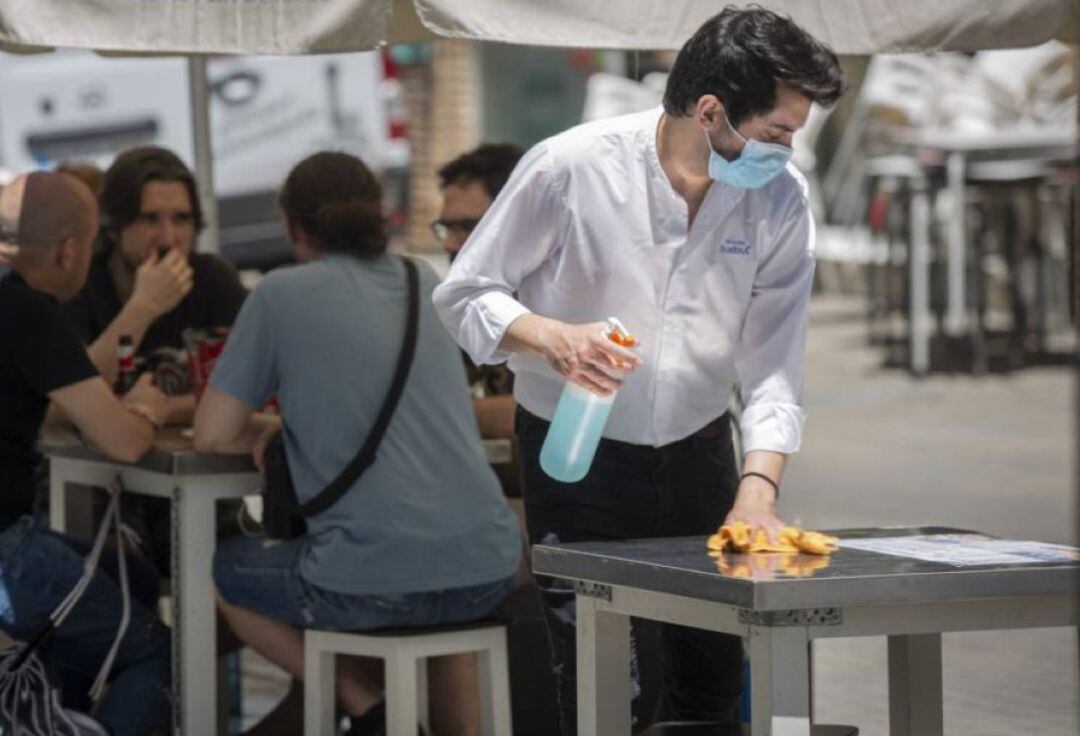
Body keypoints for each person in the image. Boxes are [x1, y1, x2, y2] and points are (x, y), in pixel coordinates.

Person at [432, 7, 846, 734]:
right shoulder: (570, 168)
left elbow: (774, 367)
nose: (787, 150)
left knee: (714, 673)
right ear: (711, 111)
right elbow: (464, 294)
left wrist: (758, 492)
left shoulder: (782, 199)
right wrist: (550, 337)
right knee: (595, 678)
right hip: (574, 454)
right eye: (778, 132)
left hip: (700, 450)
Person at [194, 151, 521, 736]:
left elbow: (213, 433)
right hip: (489, 568)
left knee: (224, 571)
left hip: (370, 578)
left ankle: (366, 706)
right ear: (378, 217)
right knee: (416, 589)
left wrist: (273, 428)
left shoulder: (279, 293)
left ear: (294, 227)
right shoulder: (424, 281)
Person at [0, 172, 171, 736]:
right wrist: (148, 408)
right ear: (70, 249)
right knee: (159, 652)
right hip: (6, 555)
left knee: (136, 581)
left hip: (13, 544)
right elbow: (120, 440)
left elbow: (62, 396)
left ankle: (55, 721)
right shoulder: (27, 308)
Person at [64, 146, 247, 421]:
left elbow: (248, 391)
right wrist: (143, 308)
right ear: (114, 227)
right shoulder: (79, 285)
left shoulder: (213, 279)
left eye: (181, 219)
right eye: (150, 219)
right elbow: (70, 400)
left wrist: (163, 409)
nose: (168, 239)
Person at [434, 143, 524, 473]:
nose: (448, 244)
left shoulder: (562, 297)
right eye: (445, 227)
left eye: (467, 227)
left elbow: (553, 408)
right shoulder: (464, 305)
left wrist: (446, 410)